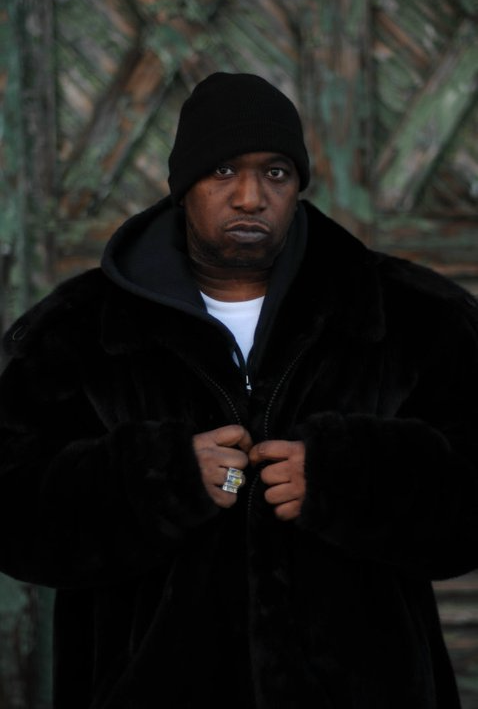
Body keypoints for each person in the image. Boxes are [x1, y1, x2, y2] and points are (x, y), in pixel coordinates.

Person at [1, 72, 478, 709]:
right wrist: (159, 480)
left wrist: (350, 479)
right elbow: (13, 509)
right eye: (223, 170)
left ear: (297, 185)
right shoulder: (80, 331)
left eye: (275, 173)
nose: (251, 197)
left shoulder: (412, 317)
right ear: (183, 187)